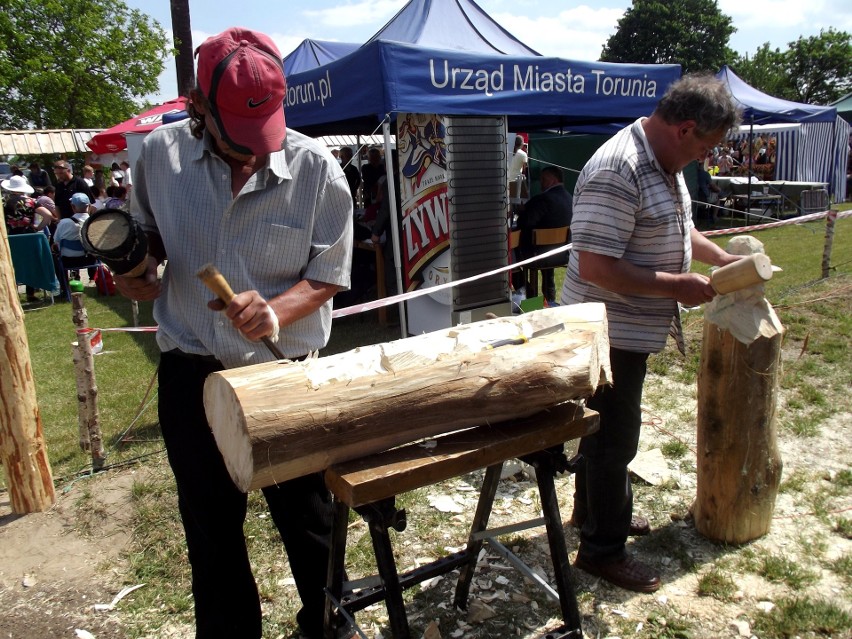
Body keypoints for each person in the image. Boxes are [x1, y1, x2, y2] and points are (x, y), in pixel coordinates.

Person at [113, 27, 354, 639]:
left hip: (283, 373)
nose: (256, 154)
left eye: (264, 137)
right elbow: (147, 240)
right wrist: (141, 273)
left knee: (310, 522)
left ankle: (327, 624)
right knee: (212, 531)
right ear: (198, 107)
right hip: (193, 374)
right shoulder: (158, 157)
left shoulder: (317, 168)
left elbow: (328, 274)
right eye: (239, 141)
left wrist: (276, 311)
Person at [562, 73, 742, 593]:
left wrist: (720, 257)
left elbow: (676, 225)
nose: (704, 158)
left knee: (603, 436)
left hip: (626, 332)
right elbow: (595, 265)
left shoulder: (662, 162)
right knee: (615, 441)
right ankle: (602, 550)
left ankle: (591, 515)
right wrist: (675, 286)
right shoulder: (618, 168)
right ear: (685, 128)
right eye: (705, 146)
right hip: (603, 334)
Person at [513, 165, 573, 303]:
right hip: (561, 253)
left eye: (543, 180)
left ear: (552, 180)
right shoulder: (569, 198)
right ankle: (549, 299)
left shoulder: (543, 199)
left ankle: (529, 296)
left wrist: (522, 211)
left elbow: (525, 222)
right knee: (546, 257)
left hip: (536, 254)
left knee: (511, 259)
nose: (541, 183)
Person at [508, 134, 528, 198]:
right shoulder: (523, 154)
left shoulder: (507, 152)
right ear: (521, 144)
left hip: (506, 180)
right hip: (516, 182)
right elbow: (525, 170)